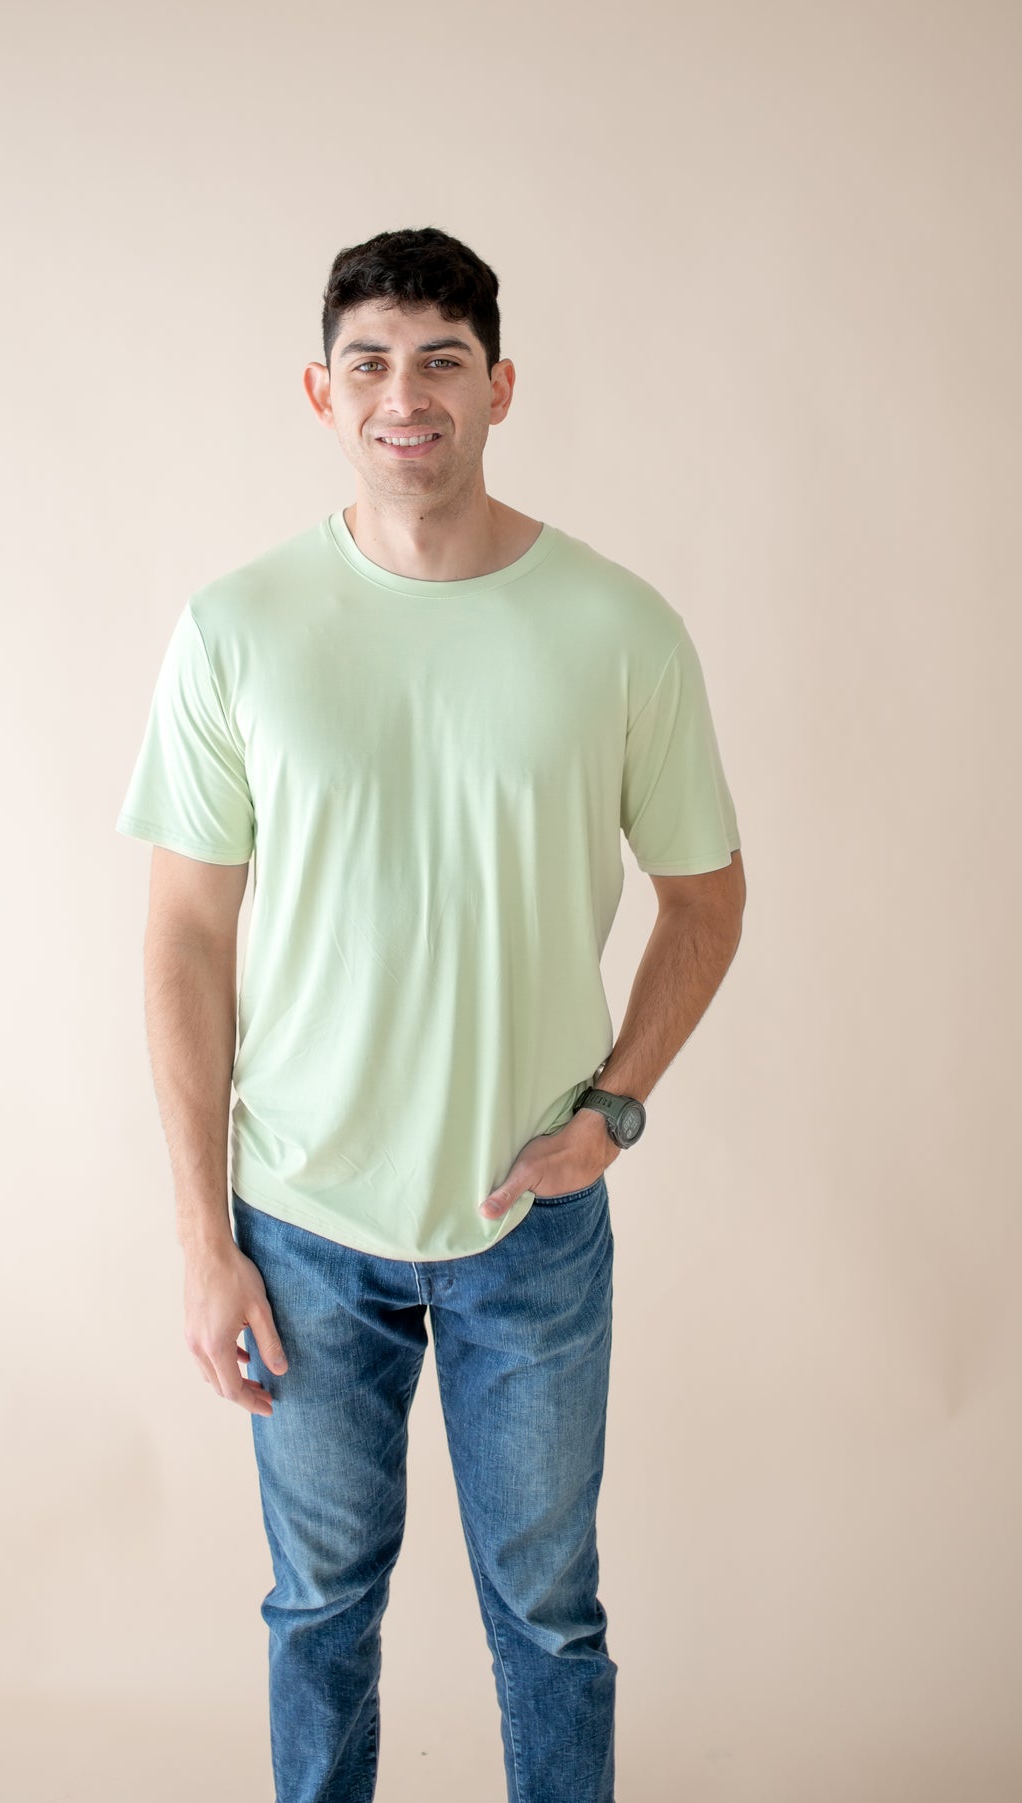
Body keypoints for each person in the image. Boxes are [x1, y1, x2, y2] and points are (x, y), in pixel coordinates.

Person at [115, 225, 746, 1803]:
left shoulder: (618, 627)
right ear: (321, 392)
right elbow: (186, 936)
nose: (408, 394)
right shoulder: (237, 628)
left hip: (525, 1229)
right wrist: (205, 1239)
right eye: (374, 361)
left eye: (444, 360)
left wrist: (612, 1110)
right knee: (318, 1615)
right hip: (301, 1228)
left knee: (549, 1624)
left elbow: (709, 896)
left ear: (501, 387)